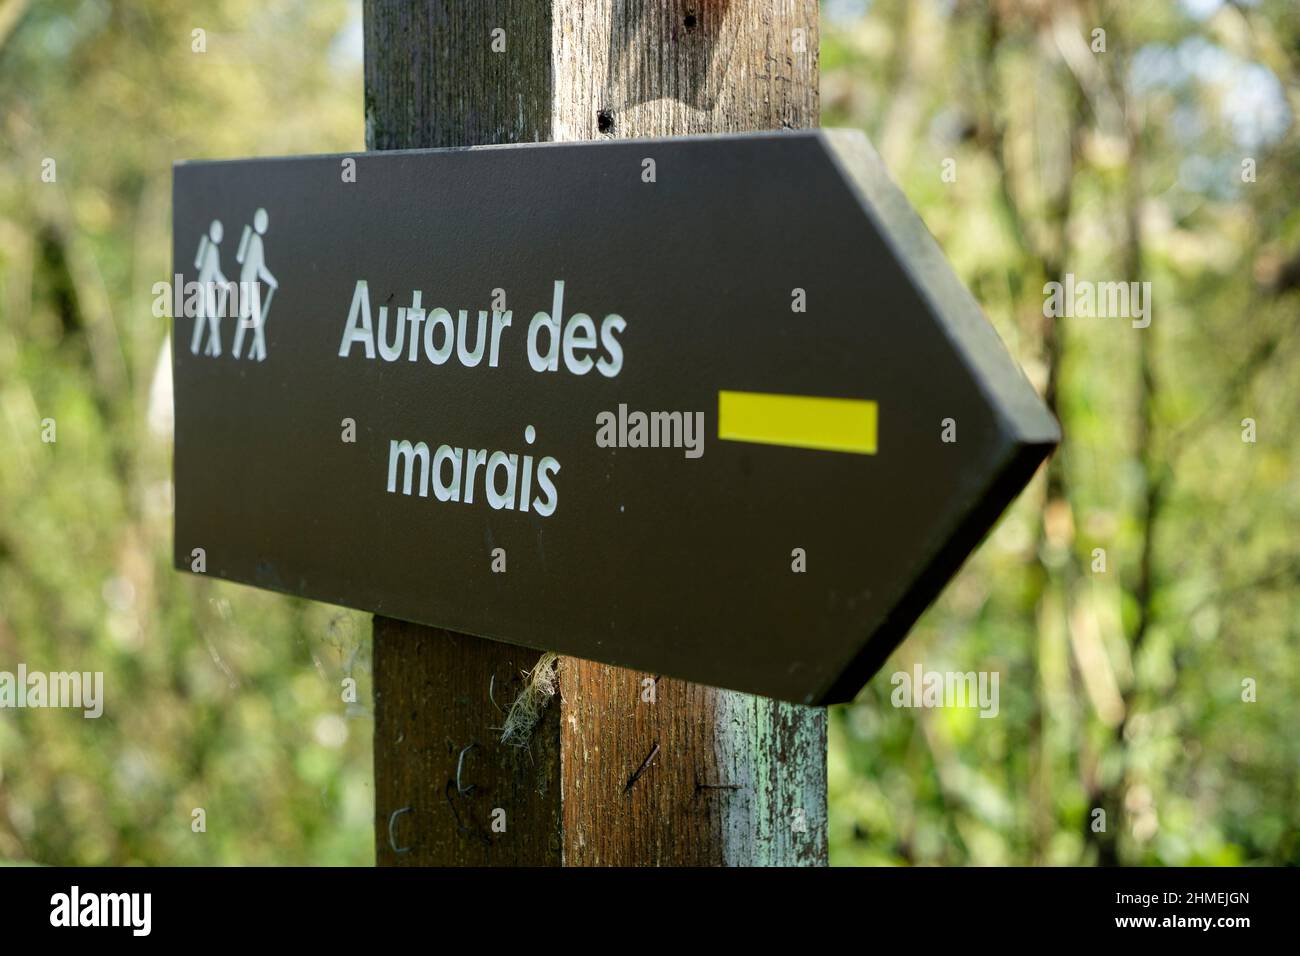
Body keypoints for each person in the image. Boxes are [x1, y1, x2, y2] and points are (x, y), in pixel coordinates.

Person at [233, 208, 277, 361]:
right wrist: (273, 281)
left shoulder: (253, 238)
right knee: (255, 317)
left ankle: (238, 350)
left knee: (245, 316)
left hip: (246, 280)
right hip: (249, 282)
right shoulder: (256, 241)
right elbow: (261, 268)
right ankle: (260, 352)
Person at [191, 220, 227, 356]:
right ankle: (214, 348)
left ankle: (200, 346)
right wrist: (226, 285)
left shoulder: (210, 248)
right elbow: (215, 272)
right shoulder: (212, 249)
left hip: (203, 285)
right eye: (218, 232)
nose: (220, 235)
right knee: (210, 316)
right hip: (206, 287)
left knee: (204, 316)